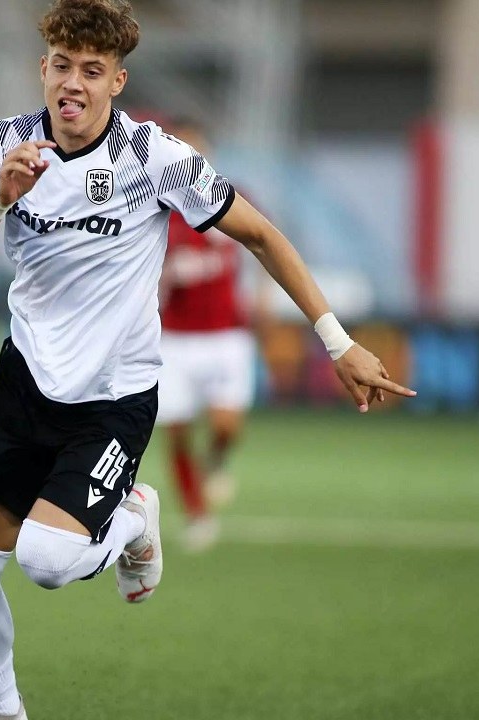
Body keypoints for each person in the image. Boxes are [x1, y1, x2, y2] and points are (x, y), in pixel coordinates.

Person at [0, 2, 415, 718]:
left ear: (117, 81)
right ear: (43, 69)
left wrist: (338, 342)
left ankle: (133, 514)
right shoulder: (3, 144)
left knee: (45, 563)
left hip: (112, 399)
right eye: (62, 66)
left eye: (91, 70)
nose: (73, 83)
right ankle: (3, 713)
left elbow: (262, 235)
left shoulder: (152, 156)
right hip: (24, 385)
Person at [155, 118, 259, 552]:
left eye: (195, 149)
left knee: (226, 426)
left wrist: (264, 300)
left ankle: (215, 461)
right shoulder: (155, 207)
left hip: (226, 335)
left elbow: (261, 244)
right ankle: (197, 514)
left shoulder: (231, 197)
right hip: (174, 339)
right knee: (176, 430)